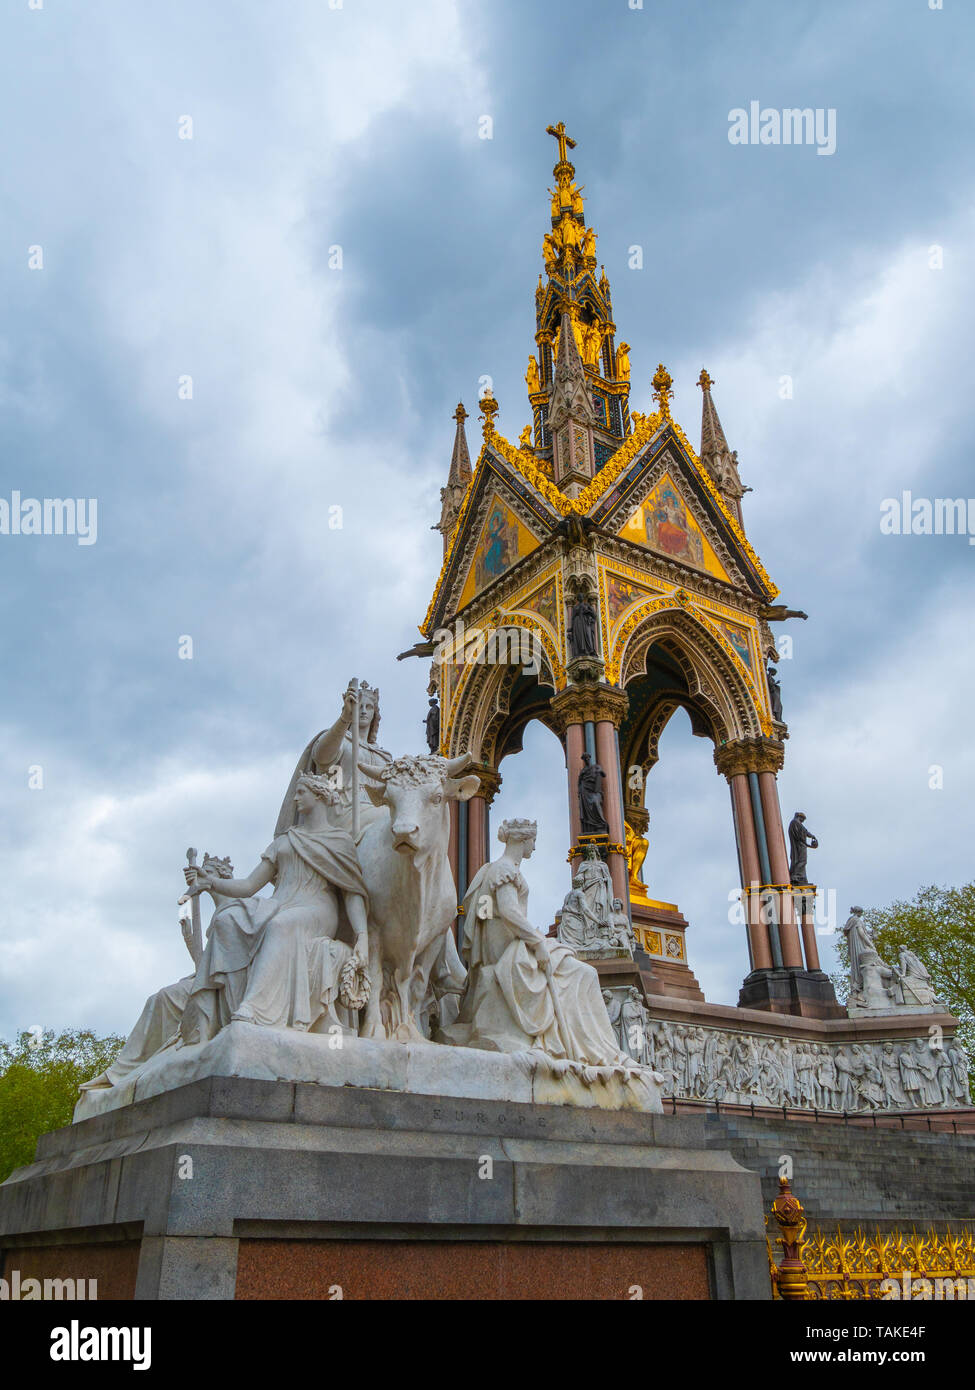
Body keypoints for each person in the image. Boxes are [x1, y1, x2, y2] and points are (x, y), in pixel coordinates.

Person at [180, 773, 369, 1043]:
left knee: (280, 925)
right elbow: (248, 886)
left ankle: (255, 1008)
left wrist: (362, 935)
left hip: (316, 908)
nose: (295, 797)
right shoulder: (285, 841)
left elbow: (352, 892)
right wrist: (210, 883)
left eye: (301, 792)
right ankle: (216, 1016)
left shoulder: (339, 841)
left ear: (318, 795)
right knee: (227, 919)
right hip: (280, 903)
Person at [441, 819, 637, 1070]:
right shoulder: (504, 871)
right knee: (584, 974)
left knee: (580, 970)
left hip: (515, 946)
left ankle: (605, 1053)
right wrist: (537, 944)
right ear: (522, 840)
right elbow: (508, 913)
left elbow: (484, 915)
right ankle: (599, 1054)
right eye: (532, 841)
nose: (534, 846)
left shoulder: (494, 869)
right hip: (514, 952)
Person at [275, 681, 393, 841]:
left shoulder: (384, 755)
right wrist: (344, 719)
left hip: (377, 807)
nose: (364, 711)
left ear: (375, 713)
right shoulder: (340, 740)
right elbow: (323, 759)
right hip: (344, 807)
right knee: (388, 818)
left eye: (369, 707)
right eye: (359, 706)